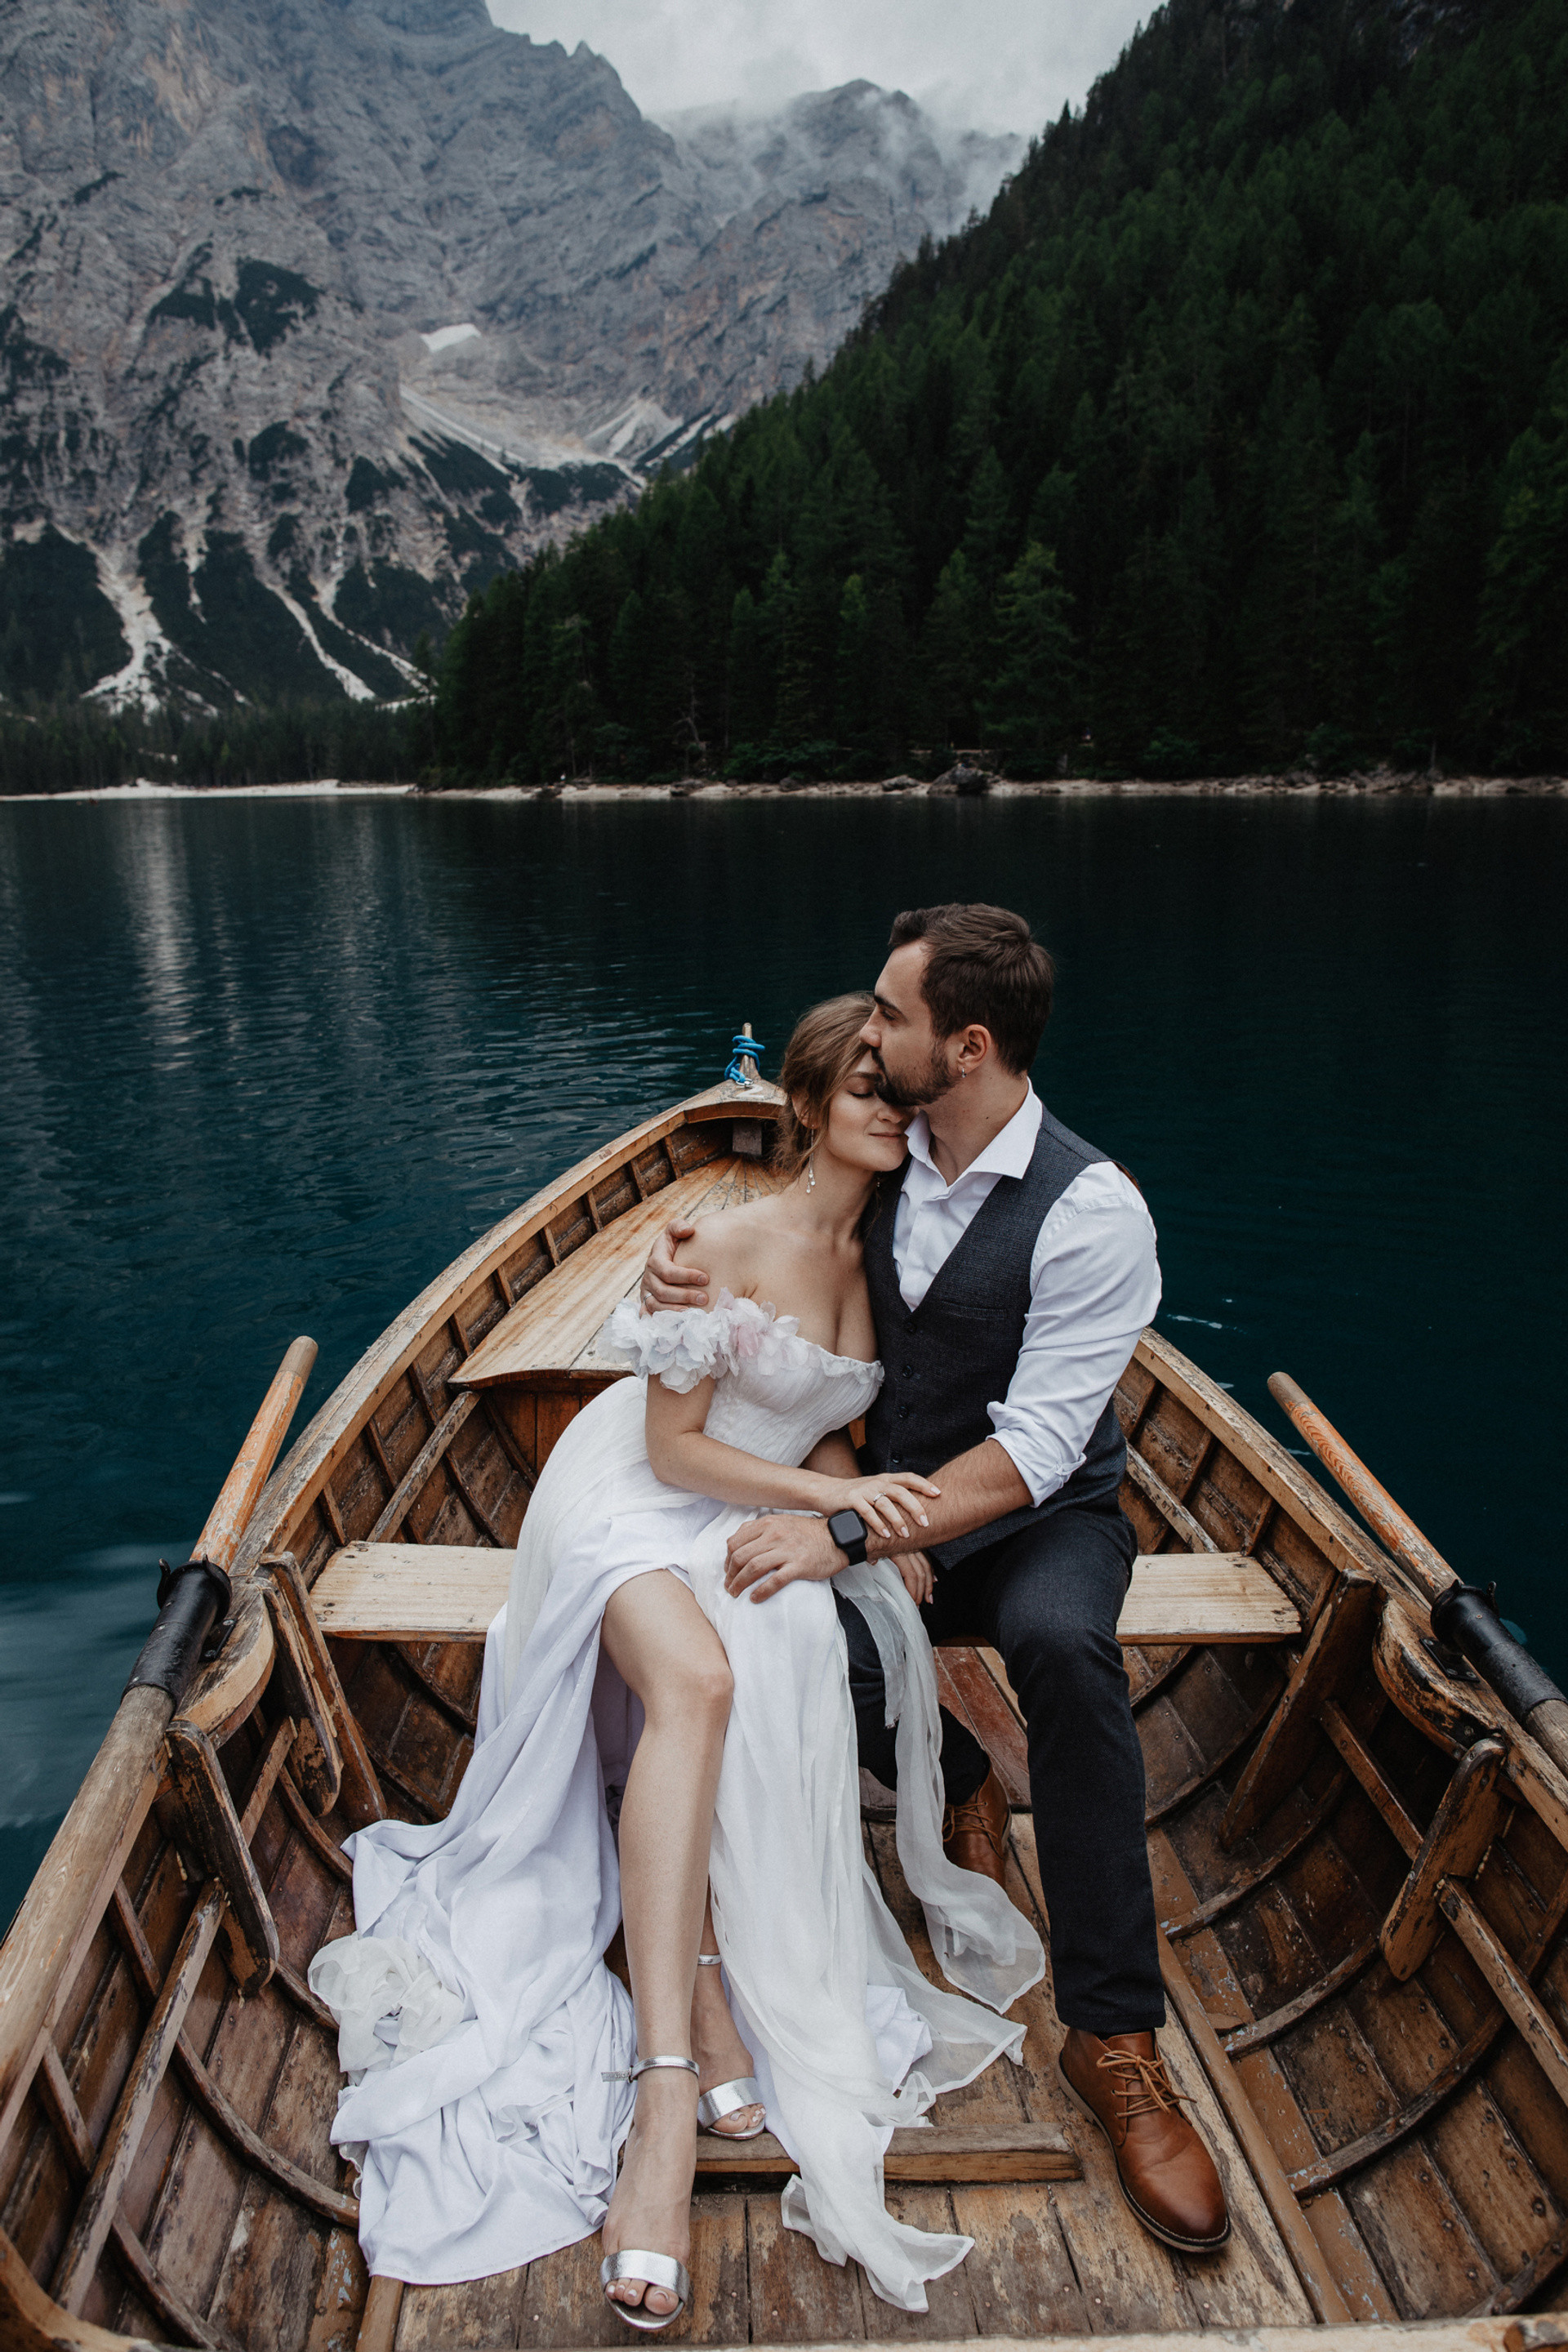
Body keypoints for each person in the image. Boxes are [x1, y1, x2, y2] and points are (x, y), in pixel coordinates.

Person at [310, 992, 1045, 2332]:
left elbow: (825, 1412)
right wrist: (849, 1510)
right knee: (702, 1681)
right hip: (629, 1508)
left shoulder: (888, 1256)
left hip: (755, 1509)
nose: (898, 1106)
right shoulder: (718, 1244)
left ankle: (708, 1975)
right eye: (872, 1087)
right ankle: (668, 2074)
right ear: (813, 1107)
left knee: (780, 1650)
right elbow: (673, 1453)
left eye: (911, 1089)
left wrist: (858, 1499)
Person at [642, 903, 1231, 2256]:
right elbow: (775, 1234)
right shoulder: (891, 1144)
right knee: (776, 1634)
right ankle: (958, 1784)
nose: (873, 1031)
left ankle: (1118, 2043)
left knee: (1071, 1660)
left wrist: (862, 1540)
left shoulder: (1094, 1213)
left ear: (964, 1047)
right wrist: (679, 1260)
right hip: (867, 1495)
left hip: (1035, 1520)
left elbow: (1031, 1451)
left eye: (893, 1015)